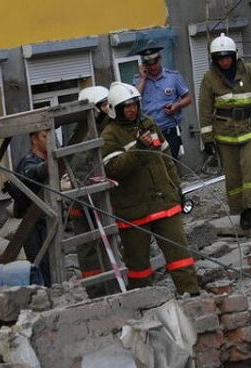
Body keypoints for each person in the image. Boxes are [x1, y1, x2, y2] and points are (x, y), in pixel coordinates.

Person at [100, 82, 200, 295]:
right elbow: (114, 170)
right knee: (138, 266)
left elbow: (167, 160)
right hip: (133, 211)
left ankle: (191, 293)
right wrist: (138, 149)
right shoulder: (109, 135)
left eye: (134, 104)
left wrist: (177, 188)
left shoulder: (149, 124)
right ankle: (143, 303)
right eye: (126, 106)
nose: (132, 110)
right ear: (115, 109)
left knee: (180, 254)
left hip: (164, 203)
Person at [198, 33, 251, 230]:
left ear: (234, 55)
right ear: (215, 59)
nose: (224, 61)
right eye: (220, 58)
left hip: (249, 130)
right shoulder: (209, 78)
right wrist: (207, 139)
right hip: (225, 135)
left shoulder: (249, 71)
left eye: (227, 56)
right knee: (233, 177)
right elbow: (205, 109)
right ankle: (241, 212)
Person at [68, 86, 117, 297]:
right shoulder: (85, 133)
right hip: (87, 200)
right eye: (104, 104)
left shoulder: (108, 127)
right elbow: (79, 169)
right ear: (94, 109)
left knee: (113, 241)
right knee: (89, 249)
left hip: (102, 198)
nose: (108, 108)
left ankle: (115, 284)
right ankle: (98, 291)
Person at [133, 45, 192, 159]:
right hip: (149, 132)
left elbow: (188, 98)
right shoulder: (138, 80)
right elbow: (134, 100)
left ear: (160, 59)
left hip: (170, 129)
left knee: (172, 162)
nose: (153, 67)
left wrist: (176, 105)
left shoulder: (173, 76)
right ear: (144, 65)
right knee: (155, 164)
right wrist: (143, 79)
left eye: (155, 63)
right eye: (149, 64)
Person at [14, 129, 51, 286]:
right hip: (33, 225)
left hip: (47, 220)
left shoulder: (46, 160)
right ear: (34, 140)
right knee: (40, 267)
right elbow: (33, 173)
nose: (49, 139)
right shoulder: (28, 162)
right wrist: (50, 164)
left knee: (52, 265)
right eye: (44, 136)